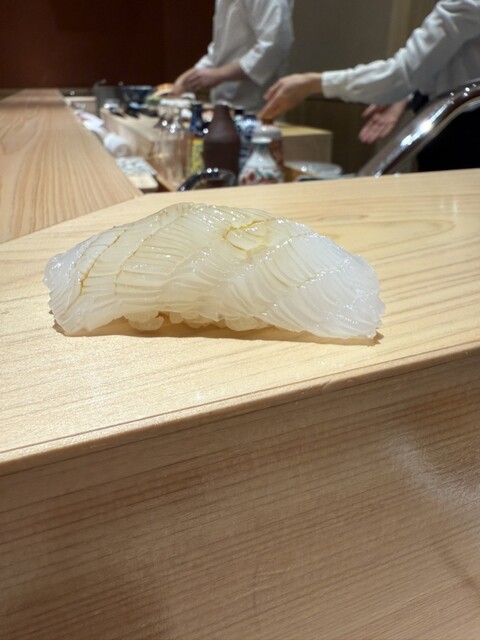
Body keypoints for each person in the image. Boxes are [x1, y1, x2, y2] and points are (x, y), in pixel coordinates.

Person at [258, 0, 480, 170]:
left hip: (463, 132)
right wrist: (406, 96)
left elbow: (399, 75)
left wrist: (312, 84)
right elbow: (448, 62)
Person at [172, 0, 294, 113]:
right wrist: (187, 78)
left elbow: (273, 47)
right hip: (224, 105)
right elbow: (220, 48)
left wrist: (219, 74)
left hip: (256, 105)